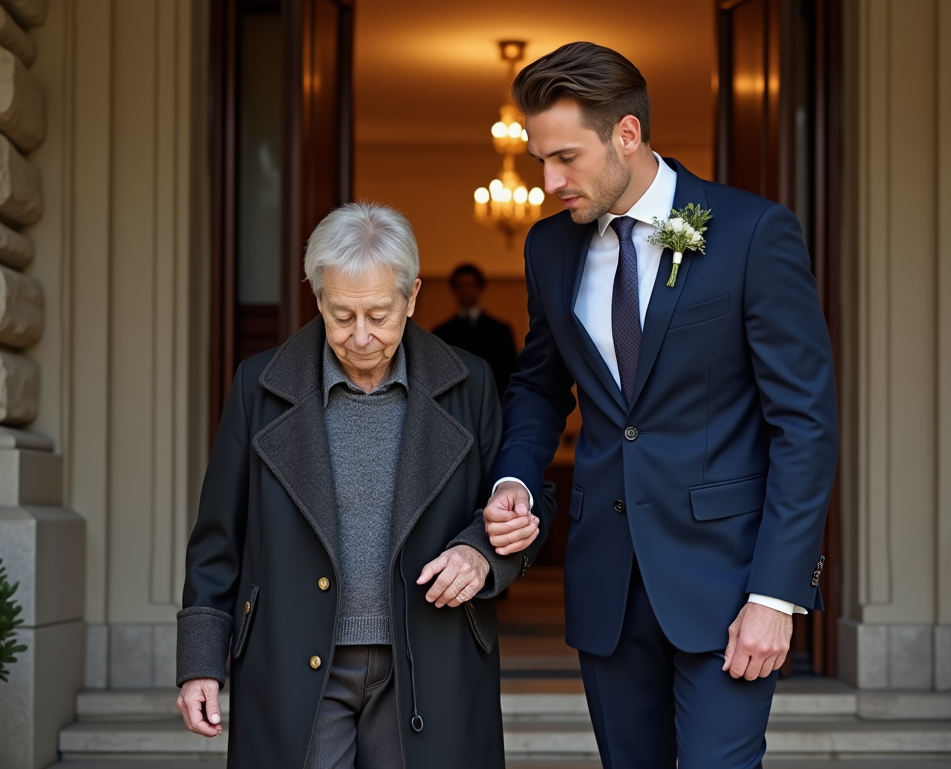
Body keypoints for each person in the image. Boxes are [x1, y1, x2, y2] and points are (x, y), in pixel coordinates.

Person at [483, 42, 838, 769]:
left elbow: (804, 424)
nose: (549, 182)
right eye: (540, 159)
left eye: (566, 158)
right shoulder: (549, 248)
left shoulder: (750, 233)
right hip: (606, 586)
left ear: (627, 135)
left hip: (727, 587)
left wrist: (777, 594)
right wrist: (515, 478)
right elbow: (540, 384)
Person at [174, 202, 552, 768]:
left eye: (379, 315)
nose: (360, 337)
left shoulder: (469, 382)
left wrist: (482, 553)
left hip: (428, 658)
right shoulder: (258, 385)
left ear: (413, 295)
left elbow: (524, 502)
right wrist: (201, 661)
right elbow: (217, 538)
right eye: (341, 315)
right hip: (294, 656)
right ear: (318, 297)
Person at [433, 264, 520, 397]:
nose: (466, 291)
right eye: (460, 286)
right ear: (454, 289)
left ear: (480, 288)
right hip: (455, 403)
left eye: (471, 285)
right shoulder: (441, 332)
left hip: (492, 400)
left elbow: (510, 373)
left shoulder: (500, 331)